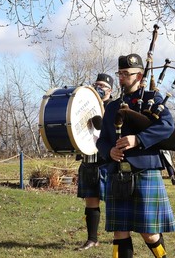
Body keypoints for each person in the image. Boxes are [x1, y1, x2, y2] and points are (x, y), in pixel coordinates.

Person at [96, 54, 175, 258]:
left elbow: (167, 125)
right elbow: (102, 140)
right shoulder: (112, 107)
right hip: (118, 174)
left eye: (126, 74)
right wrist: (109, 151)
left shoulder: (152, 100)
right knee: (120, 231)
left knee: (149, 233)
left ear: (139, 75)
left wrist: (138, 139)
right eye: (120, 73)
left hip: (145, 171)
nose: (122, 78)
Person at [76, 73, 114, 251]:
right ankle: (92, 239)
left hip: (109, 160)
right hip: (89, 159)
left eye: (102, 86)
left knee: (115, 201)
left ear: (110, 89)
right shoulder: (86, 106)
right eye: (96, 84)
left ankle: (120, 237)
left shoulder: (115, 106)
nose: (98, 88)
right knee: (91, 200)